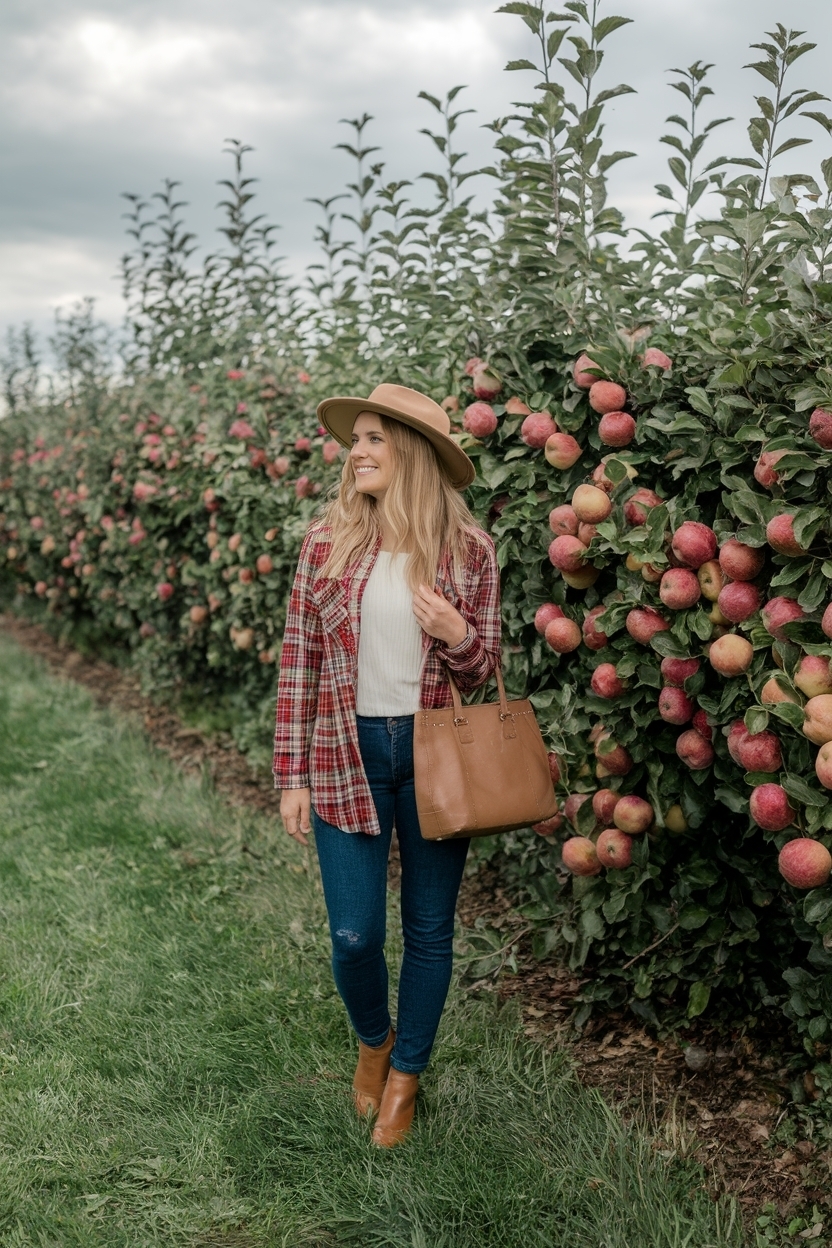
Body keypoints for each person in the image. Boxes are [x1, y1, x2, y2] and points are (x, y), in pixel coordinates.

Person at [273, 382, 501, 1147]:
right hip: (346, 752)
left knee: (431, 929)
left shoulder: (469, 553)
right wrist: (292, 775)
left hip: (436, 753)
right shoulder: (325, 544)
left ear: (412, 454)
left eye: (375, 439)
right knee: (354, 936)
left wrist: (457, 632)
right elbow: (298, 663)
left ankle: (406, 1076)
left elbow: (484, 673)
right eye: (357, 438)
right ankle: (373, 1041)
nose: (357, 451)